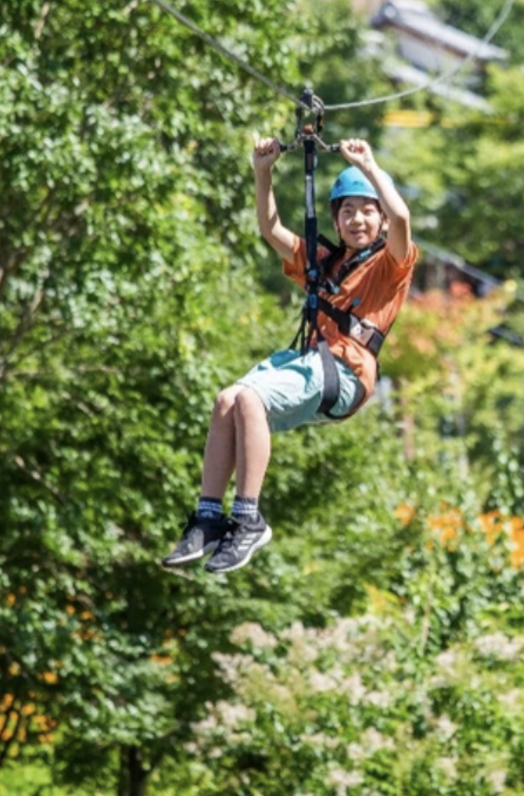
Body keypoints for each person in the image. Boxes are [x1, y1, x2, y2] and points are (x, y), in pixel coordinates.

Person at [162, 136, 416, 574]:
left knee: (249, 399)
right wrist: (263, 172)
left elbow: (402, 217)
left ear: (379, 219)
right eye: (348, 211)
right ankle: (208, 516)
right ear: (335, 221)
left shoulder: (390, 267)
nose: (358, 219)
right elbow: (271, 230)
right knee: (227, 399)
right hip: (311, 363)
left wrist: (371, 166)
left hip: (345, 371)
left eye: (367, 210)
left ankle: (247, 517)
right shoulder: (325, 264)